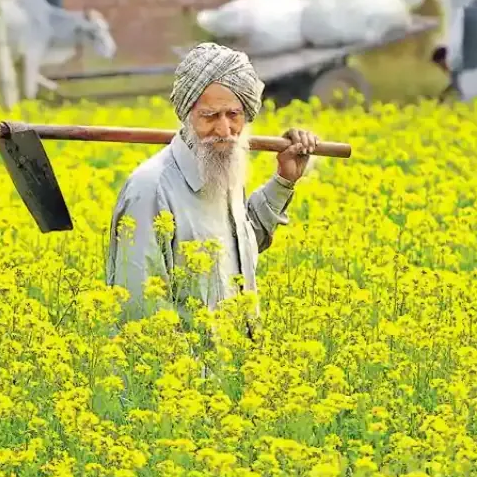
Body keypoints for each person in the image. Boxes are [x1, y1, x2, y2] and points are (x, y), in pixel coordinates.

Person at [105, 42, 318, 323]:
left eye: (233, 115)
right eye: (209, 116)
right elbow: (139, 310)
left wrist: (284, 180)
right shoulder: (150, 190)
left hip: (237, 351)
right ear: (187, 115)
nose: (224, 130)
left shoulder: (222, 169)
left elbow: (236, 251)